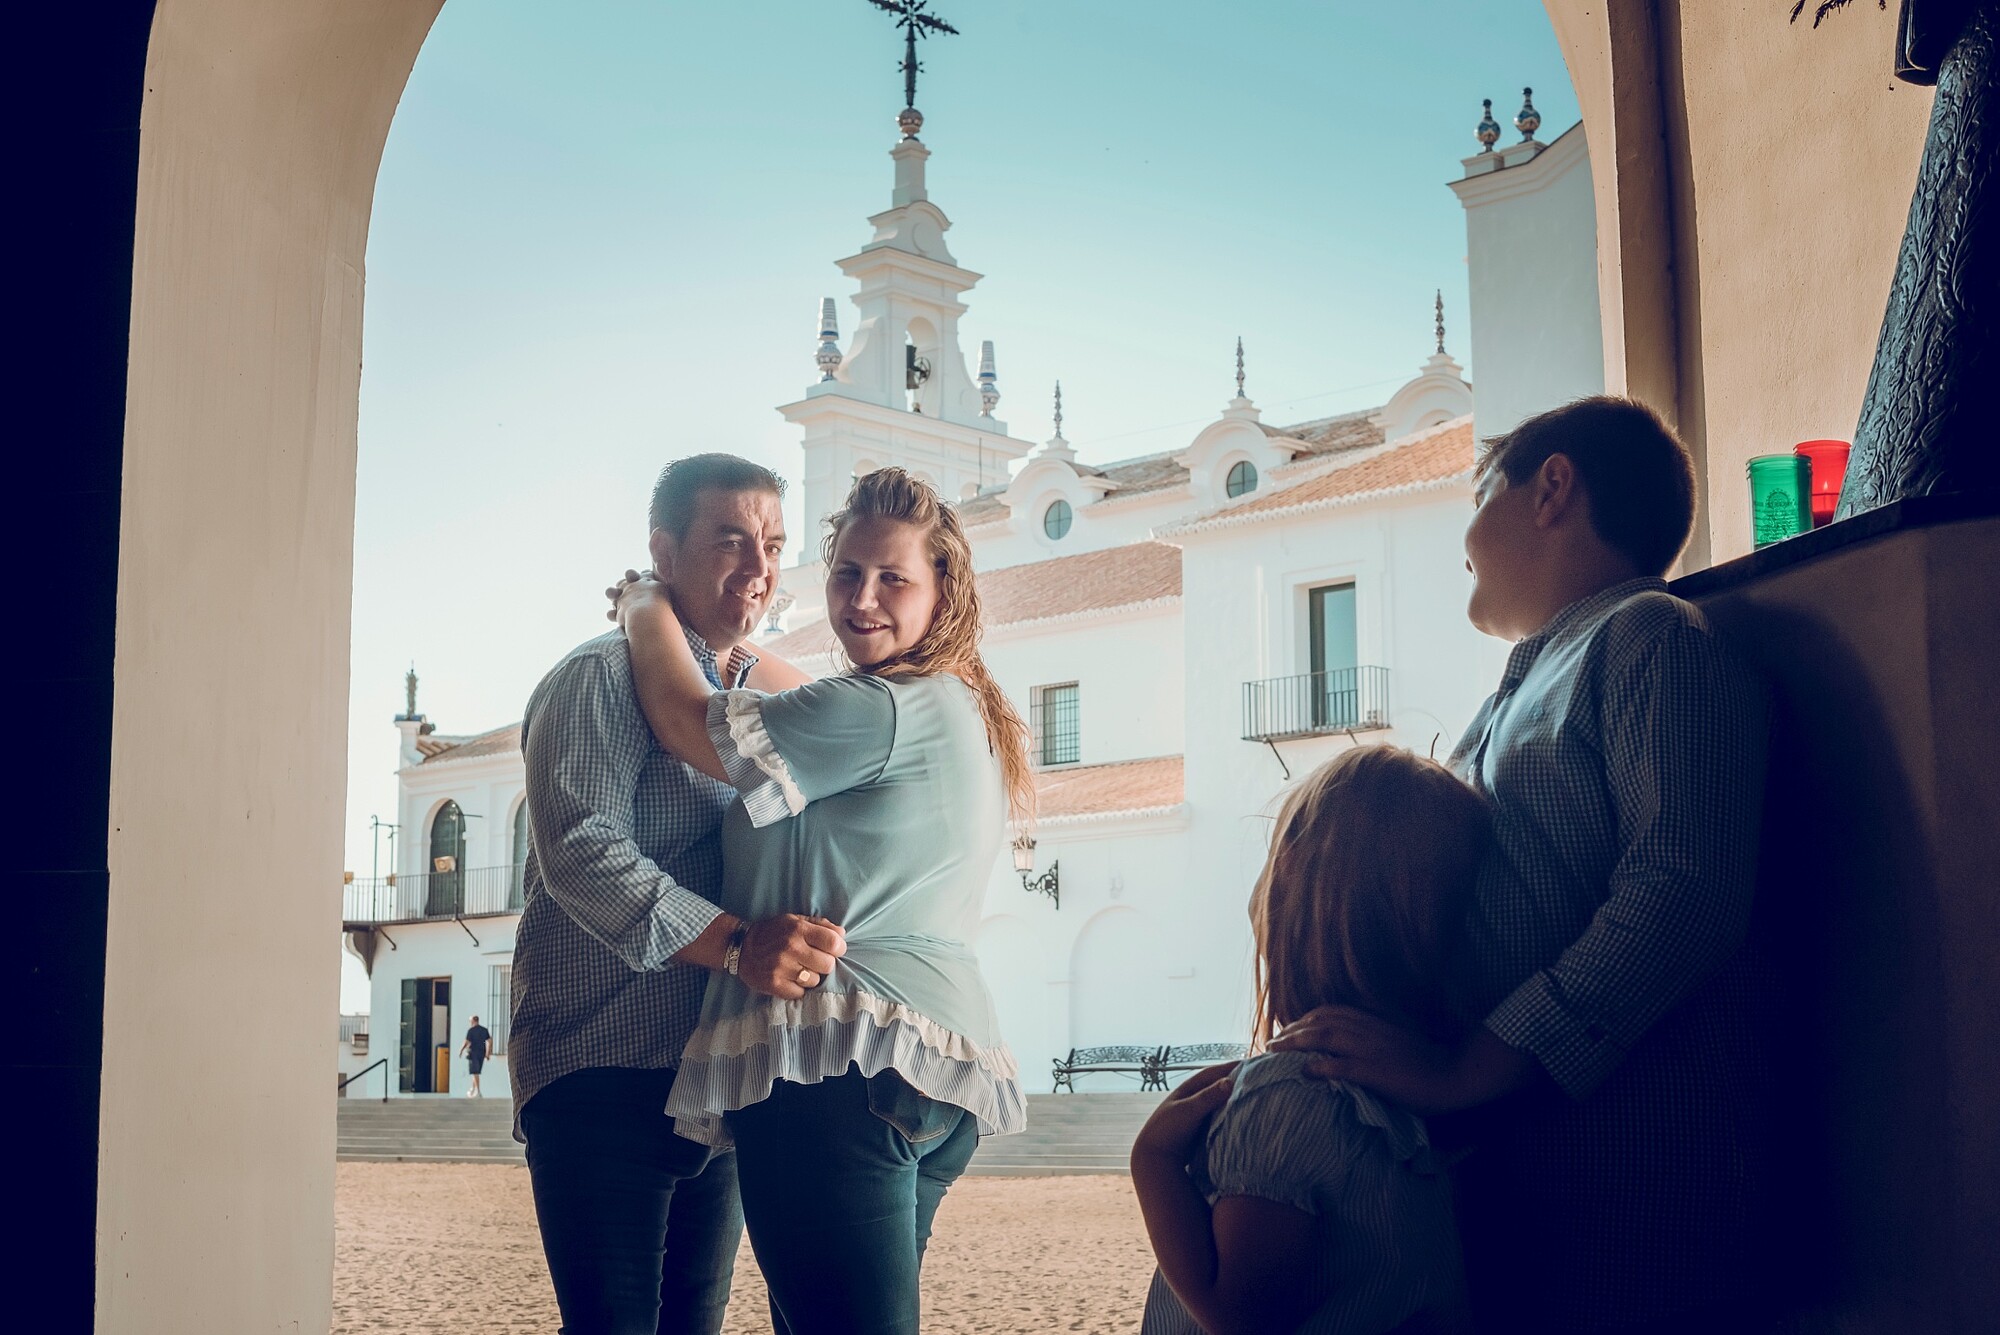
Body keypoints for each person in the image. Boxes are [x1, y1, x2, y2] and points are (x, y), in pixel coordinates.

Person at [1277, 397, 1771, 1333]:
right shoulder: (1535, 682)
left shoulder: (1650, 638)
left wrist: (1470, 1066)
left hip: (1624, 1194)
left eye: (1479, 493)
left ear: (1551, 488)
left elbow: (1685, 889)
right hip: (1524, 1196)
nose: (1463, 539)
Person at [612, 466, 1029, 1335]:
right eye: (846, 573)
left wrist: (645, 604)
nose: (863, 597)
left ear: (942, 589)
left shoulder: (878, 708)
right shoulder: (951, 701)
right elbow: (788, 690)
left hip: (840, 1065)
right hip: (931, 1068)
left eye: (893, 578)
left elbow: (691, 721)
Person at [509, 453, 847, 1335]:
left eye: (773, 544)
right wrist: (739, 944)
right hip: (601, 1066)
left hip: (715, 1075)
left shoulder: (751, 702)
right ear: (663, 547)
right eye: (730, 538)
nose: (760, 566)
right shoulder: (595, 677)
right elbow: (582, 851)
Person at [1131, 746, 1488, 1335]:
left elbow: (1240, 1315)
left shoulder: (1292, 1094)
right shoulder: (1413, 1088)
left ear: (1295, 882)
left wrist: (1154, 1160)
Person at [459, 1016, 492, 1098]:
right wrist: (488, 1053)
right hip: (482, 1053)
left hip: (473, 1053)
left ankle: (478, 1091)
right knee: (476, 1072)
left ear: (473, 1021)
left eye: (470, 1021)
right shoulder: (484, 1030)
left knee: (475, 1072)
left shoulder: (471, 1031)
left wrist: (461, 1051)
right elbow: (490, 1041)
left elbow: (466, 1042)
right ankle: (473, 1089)